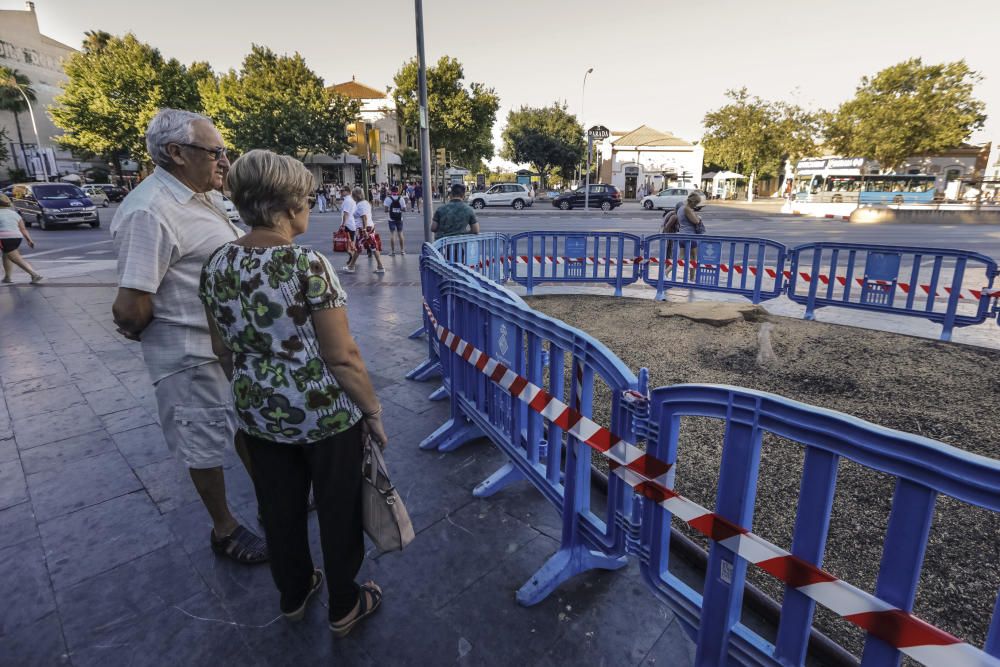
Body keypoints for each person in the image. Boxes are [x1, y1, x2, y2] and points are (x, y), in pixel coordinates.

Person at [200, 149, 388, 636]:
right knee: (337, 507)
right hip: (325, 418)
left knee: (278, 508)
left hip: (258, 415)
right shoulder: (306, 264)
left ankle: (295, 592)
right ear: (286, 207)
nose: (308, 206)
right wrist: (372, 410)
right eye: (304, 199)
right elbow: (342, 356)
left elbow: (222, 350)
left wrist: (254, 392)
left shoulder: (217, 263)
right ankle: (346, 603)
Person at [110, 108, 268, 565]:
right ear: (177, 153)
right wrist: (133, 326)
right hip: (189, 353)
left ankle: (269, 498)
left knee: (244, 428)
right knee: (203, 443)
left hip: (226, 349)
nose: (224, 160)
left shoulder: (201, 197)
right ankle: (226, 528)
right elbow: (131, 304)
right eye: (215, 151)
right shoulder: (149, 210)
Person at [0, 195, 43, 284]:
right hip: (17, 237)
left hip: (4, 238)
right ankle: (7, 277)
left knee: (15, 257)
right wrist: (29, 240)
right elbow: (23, 229)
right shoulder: (15, 214)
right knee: (6, 255)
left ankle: (34, 274)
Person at [345, 187, 385, 273]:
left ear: (356, 196)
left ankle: (351, 266)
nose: (352, 197)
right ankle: (380, 266)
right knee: (373, 247)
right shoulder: (365, 203)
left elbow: (364, 217)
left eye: (353, 196)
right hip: (369, 228)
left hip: (364, 229)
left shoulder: (361, 204)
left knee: (358, 247)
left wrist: (364, 230)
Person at [383, 186, 406, 256]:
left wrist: (391, 210)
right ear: (397, 191)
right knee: (400, 233)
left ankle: (393, 251)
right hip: (399, 218)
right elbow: (404, 209)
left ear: (391, 191)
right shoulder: (401, 198)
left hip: (391, 219)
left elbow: (385, 210)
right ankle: (402, 251)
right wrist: (399, 209)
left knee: (392, 234)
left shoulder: (387, 199)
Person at [339, 185, 358, 271]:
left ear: (347, 191)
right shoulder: (351, 200)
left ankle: (352, 263)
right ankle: (352, 261)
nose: (341, 192)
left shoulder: (347, 201)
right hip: (351, 224)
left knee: (348, 245)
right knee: (350, 244)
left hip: (348, 225)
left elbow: (346, 214)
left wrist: (343, 224)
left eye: (342, 191)